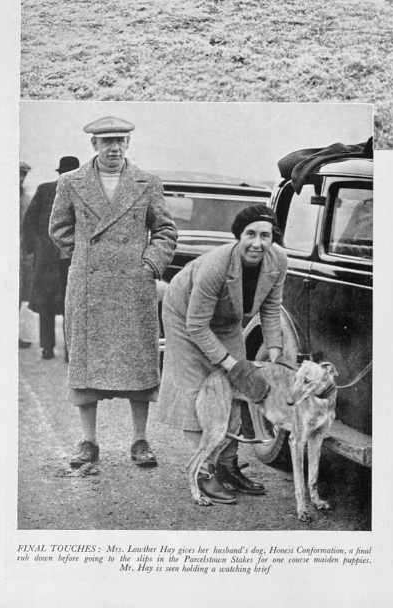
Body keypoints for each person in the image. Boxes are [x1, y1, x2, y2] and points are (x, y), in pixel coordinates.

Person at [48, 116, 178, 469]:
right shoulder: (70, 182)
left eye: (120, 140)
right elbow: (59, 228)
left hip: (133, 286)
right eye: (106, 142)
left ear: (128, 143)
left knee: (138, 363)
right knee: (86, 364)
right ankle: (88, 441)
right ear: (94, 145)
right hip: (89, 286)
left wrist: (149, 264)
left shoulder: (147, 182)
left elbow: (165, 230)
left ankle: (140, 440)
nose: (114, 148)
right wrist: (86, 257)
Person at [158, 204, 287, 504]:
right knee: (197, 391)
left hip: (227, 320)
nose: (257, 243)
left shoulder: (278, 260)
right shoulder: (217, 265)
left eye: (265, 236)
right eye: (250, 234)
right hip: (185, 317)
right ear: (238, 236)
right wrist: (232, 365)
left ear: (273, 239)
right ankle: (203, 473)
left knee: (235, 390)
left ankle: (227, 466)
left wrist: (276, 354)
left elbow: (271, 308)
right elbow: (197, 325)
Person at [22, 155, 80, 360]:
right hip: (47, 261)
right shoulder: (45, 191)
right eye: (65, 173)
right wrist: (31, 252)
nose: (69, 177)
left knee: (71, 305)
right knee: (46, 303)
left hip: (74, 262)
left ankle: (70, 351)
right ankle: (47, 347)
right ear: (60, 174)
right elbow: (29, 222)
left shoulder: (84, 195)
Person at [19, 162, 33, 349]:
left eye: (23, 175)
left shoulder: (25, 198)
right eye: (18, 174)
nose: (21, 179)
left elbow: (28, 227)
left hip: (19, 253)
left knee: (18, 295)